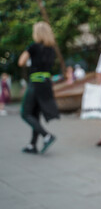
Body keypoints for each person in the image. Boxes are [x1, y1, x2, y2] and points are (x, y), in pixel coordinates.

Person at [18, 21, 59, 154]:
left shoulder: (34, 47)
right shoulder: (51, 49)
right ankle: (32, 145)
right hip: (46, 83)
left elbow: (21, 62)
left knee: (25, 113)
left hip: (35, 83)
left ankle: (46, 136)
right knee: (35, 114)